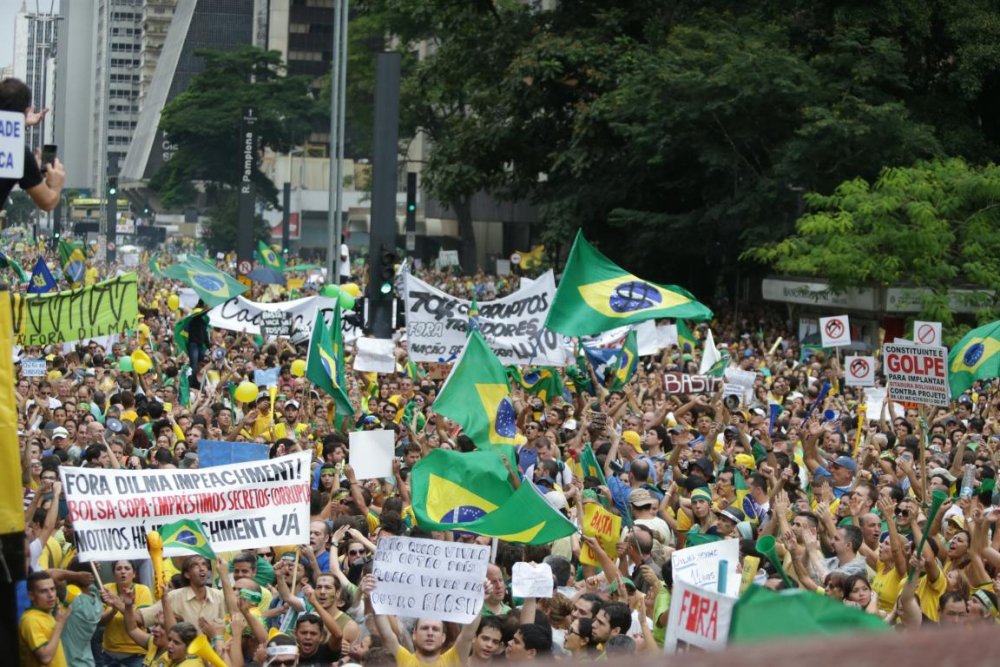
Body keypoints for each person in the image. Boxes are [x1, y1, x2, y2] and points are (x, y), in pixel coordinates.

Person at [0, 77, 65, 212]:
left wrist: (23, 122)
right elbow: (47, 202)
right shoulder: (19, 154)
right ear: (27, 110)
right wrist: (56, 184)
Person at [19, 571, 71, 667]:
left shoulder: (47, 614)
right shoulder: (30, 620)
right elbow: (45, 657)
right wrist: (59, 624)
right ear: (31, 596)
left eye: (52, 589)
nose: (51, 595)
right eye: (43, 591)